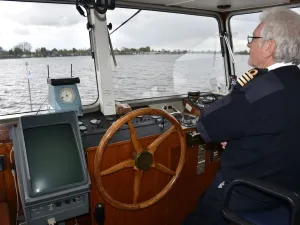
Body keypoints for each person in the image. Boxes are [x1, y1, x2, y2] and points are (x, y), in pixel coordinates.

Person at [182, 6, 300, 225]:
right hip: (289, 195)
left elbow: (206, 124)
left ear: (269, 47)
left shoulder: (259, 89)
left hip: (247, 195)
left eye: (252, 38)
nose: (248, 44)